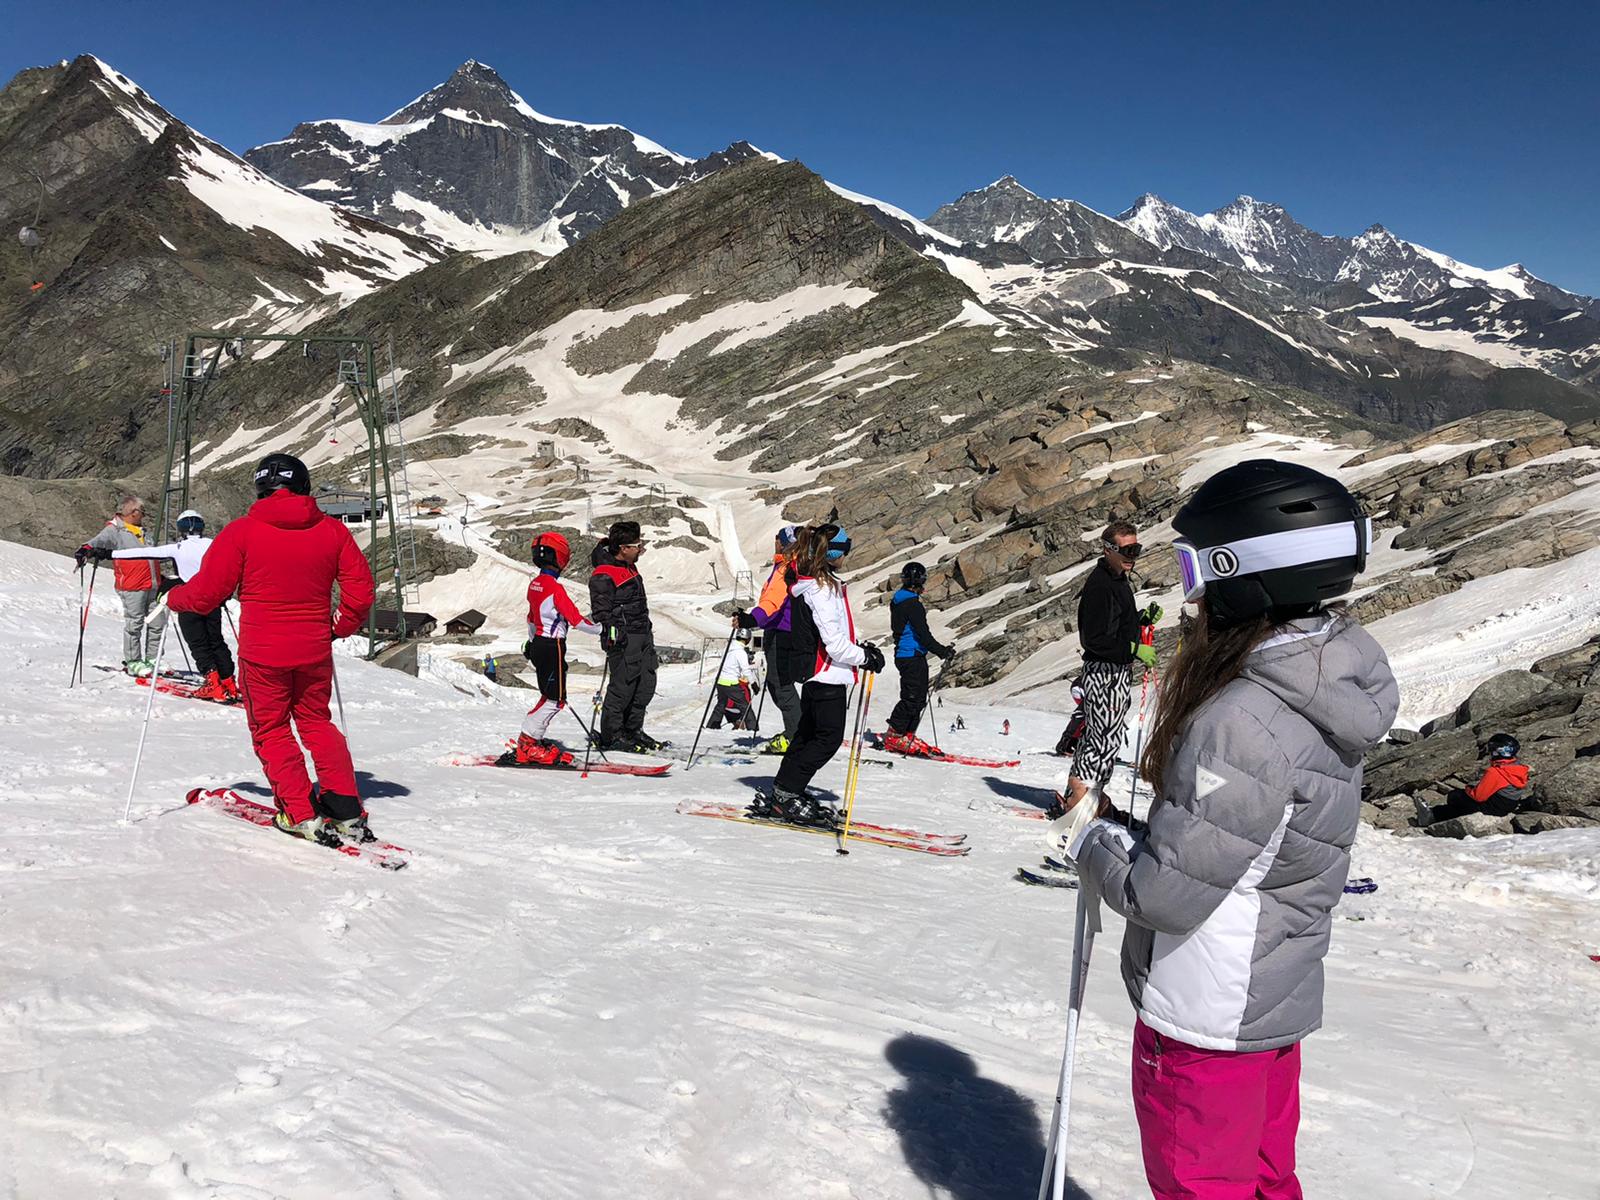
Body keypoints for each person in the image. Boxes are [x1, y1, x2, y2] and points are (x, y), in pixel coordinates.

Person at [1059, 460, 1398, 1200]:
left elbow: (1165, 897)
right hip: (1272, 993)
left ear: (1243, 570)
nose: (1192, 592)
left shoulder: (1240, 720)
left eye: (1195, 566)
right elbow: (1251, 845)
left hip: (1209, 1008)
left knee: (1202, 1185)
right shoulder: (1325, 683)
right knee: (1267, 1181)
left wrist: (1092, 843)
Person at [167, 453, 376, 845]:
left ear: (261, 488)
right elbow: (361, 591)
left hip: (263, 654)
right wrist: (340, 627)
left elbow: (208, 594)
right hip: (313, 649)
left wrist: (175, 596)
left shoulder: (241, 532)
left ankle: (300, 813)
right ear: (304, 487)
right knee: (317, 723)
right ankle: (346, 809)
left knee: (272, 730)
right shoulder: (332, 531)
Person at [750, 525, 884, 826]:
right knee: (827, 739)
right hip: (827, 674)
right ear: (834, 552)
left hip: (823, 673)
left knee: (808, 735)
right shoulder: (820, 590)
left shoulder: (822, 584)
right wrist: (863, 657)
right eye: (845, 547)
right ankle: (787, 792)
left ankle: (785, 791)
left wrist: (861, 649)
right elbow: (833, 643)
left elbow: (837, 633)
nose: (847, 554)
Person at [1062, 521, 1158, 812]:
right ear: (1108, 550)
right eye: (1128, 550)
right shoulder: (1100, 585)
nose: (1133, 555)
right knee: (1099, 738)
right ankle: (1076, 801)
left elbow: (1114, 624)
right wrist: (1133, 648)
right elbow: (1093, 638)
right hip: (1103, 672)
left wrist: (1140, 621)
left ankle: (1093, 799)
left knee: (1110, 739)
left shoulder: (1118, 579)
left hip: (1116, 672)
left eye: (1136, 548)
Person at [112, 509, 238, 701]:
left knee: (198, 643)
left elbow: (142, 552)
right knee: (216, 640)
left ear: (181, 529)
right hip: (212, 600)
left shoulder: (178, 548)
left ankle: (212, 682)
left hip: (188, 599)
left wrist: (108, 553)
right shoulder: (214, 544)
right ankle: (228, 681)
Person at [511, 532, 599, 766]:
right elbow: (577, 620)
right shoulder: (555, 588)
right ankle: (529, 743)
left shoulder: (535, 584)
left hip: (539, 643)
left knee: (548, 695)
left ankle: (529, 741)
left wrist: (531, 643)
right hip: (553, 645)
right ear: (560, 558)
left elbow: (531, 618)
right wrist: (605, 630)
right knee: (556, 700)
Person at [589, 521, 664, 753]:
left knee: (645, 684)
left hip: (642, 634)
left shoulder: (630, 566)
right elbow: (601, 611)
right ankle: (612, 735)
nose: (640, 549)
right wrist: (614, 632)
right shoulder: (603, 574)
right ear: (623, 548)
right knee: (623, 687)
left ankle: (632, 730)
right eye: (636, 545)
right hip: (624, 637)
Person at [76, 495, 166, 676]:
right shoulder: (115, 529)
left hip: (152, 584)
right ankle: (133, 661)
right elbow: (97, 541)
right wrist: (86, 549)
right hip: (132, 586)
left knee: (158, 622)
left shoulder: (142, 532)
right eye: (142, 512)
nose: (143, 515)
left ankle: (153, 659)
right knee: (135, 624)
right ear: (134, 512)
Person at [735, 525, 803, 754]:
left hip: (783, 632)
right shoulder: (796, 565)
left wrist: (750, 619)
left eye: (778, 539)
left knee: (781, 684)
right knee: (779, 684)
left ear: (782, 543)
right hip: (789, 631)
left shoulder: (787, 568)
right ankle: (797, 731)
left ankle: (796, 735)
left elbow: (772, 602)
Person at [882, 561, 954, 755]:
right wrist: (942, 651)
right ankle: (896, 735)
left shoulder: (899, 600)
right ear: (921, 581)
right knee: (913, 698)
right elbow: (923, 634)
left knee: (918, 698)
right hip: (911, 655)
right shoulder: (912, 605)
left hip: (908, 654)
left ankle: (906, 734)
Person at [1417, 733, 1531, 825]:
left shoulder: (1496, 772)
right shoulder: (1519, 768)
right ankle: (1435, 813)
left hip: (1495, 808)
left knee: (1457, 797)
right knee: (1463, 800)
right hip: (1509, 805)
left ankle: (1432, 815)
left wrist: (1468, 789)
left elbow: (1478, 796)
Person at [706, 629, 758, 730]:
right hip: (731, 683)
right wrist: (753, 684)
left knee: (721, 705)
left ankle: (712, 726)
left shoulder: (728, 649)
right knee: (745, 707)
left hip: (720, 682)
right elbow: (746, 670)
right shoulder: (740, 652)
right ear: (747, 640)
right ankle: (753, 729)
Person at [1052, 680, 1087, 756]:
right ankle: (1065, 745)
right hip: (1080, 689)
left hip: (1089, 690)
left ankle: (1074, 744)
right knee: (1083, 715)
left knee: (1090, 716)